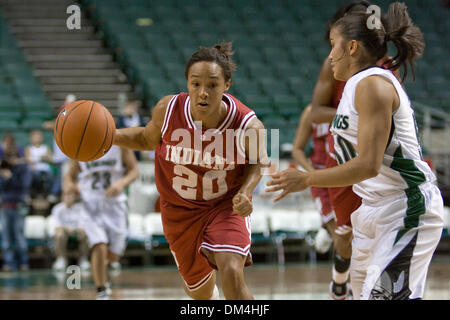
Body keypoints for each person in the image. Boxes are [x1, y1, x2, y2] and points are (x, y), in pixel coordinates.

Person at [266, 2, 444, 300]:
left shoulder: (373, 85)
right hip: (372, 208)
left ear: (351, 47)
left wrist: (307, 179)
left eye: (333, 45)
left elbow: (369, 165)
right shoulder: (354, 85)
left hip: (406, 207)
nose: (329, 54)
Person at [113, 42, 268, 300]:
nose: (203, 93)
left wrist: (246, 191)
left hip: (224, 205)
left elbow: (259, 161)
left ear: (226, 85)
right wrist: (110, 136)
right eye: (196, 84)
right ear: (187, 83)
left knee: (230, 271)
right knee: (201, 294)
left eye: (212, 85)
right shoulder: (168, 110)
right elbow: (145, 140)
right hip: (179, 211)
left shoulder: (247, 125)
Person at [308, 0, 400, 300]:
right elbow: (316, 111)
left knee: (376, 236)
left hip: (378, 166)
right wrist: (351, 116)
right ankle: (339, 282)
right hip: (344, 159)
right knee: (345, 233)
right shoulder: (333, 65)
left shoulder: (385, 72)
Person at [64, 145, 139, 299]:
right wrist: (70, 188)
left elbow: (134, 171)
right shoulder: (79, 147)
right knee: (99, 245)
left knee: (113, 256)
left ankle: (102, 275)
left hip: (115, 205)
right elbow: (69, 176)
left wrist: (121, 183)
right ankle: (101, 289)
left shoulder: (120, 145)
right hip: (90, 205)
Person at [291, 105, 335, 255]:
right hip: (320, 175)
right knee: (340, 235)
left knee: (349, 234)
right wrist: (312, 175)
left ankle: (341, 277)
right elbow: (297, 149)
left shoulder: (350, 107)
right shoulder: (311, 111)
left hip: (345, 174)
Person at [0, 132, 32, 272]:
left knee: (19, 236)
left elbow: (23, 186)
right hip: (6, 205)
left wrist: (10, 178)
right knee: (6, 237)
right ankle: (9, 263)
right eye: (8, 155)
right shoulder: (3, 168)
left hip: (19, 205)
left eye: (12, 155)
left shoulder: (23, 168)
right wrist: (5, 177)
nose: (10, 158)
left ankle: (23, 263)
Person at [49, 189, 90, 273]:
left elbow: (83, 226)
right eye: (66, 195)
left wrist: (74, 230)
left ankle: (83, 259)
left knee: (85, 234)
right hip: (64, 233)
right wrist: (67, 229)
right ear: (62, 197)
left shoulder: (81, 209)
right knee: (59, 235)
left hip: (77, 233)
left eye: (70, 195)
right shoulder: (57, 209)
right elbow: (56, 226)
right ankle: (61, 259)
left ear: (74, 197)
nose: (68, 197)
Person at [25, 129, 56, 202]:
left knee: (51, 174)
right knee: (35, 174)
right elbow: (27, 160)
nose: (37, 138)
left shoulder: (46, 147)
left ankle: (49, 193)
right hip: (34, 169)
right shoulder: (29, 148)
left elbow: (52, 159)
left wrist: (46, 158)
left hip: (46, 169)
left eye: (39, 136)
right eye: (35, 137)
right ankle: (35, 193)